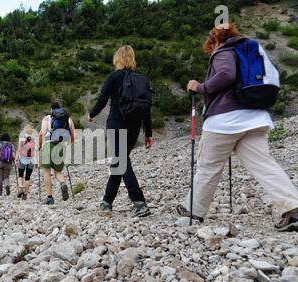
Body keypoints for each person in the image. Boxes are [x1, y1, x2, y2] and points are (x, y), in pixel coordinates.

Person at [177, 23, 298, 232]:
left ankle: (193, 210)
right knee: (264, 165)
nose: (210, 49)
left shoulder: (223, 52)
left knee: (209, 166)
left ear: (214, 41)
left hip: (225, 121)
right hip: (256, 118)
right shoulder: (247, 51)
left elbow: (225, 74)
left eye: (210, 45)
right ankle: (293, 209)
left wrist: (200, 87)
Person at [87, 45, 153, 218]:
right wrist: (148, 133)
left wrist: (91, 114)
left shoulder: (114, 77)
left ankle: (139, 202)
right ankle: (107, 202)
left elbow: (102, 100)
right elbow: (147, 108)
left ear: (118, 59)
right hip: (134, 127)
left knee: (121, 161)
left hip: (116, 124)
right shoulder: (141, 79)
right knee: (119, 161)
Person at [38, 101, 76, 205]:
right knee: (58, 171)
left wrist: (39, 146)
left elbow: (42, 134)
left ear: (51, 109)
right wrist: (66, 145)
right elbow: (74, 136)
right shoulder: (68, 119)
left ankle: (50, 198)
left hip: (48, 145)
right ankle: (63, 183)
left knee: (46, 171)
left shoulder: (47, 118)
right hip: (61, 146)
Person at [16, 124, 39, 200]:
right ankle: (25, 194)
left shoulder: (22, 138)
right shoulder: (35, 139)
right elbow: (36, 151)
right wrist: (37, 161)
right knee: (27, 178)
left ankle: (21, 188)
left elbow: (19, 149)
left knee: (20, 175)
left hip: (22, 159)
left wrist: (16, 159)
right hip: (31, 160)